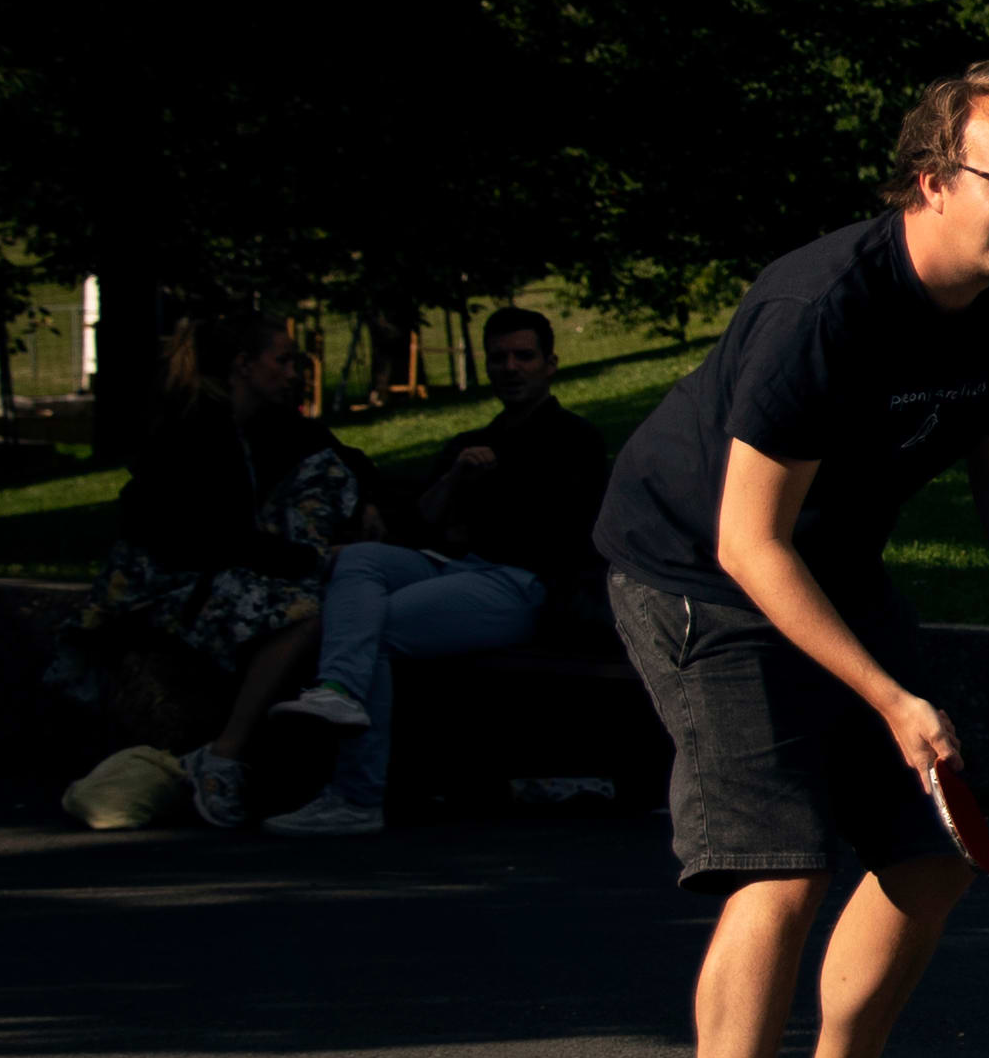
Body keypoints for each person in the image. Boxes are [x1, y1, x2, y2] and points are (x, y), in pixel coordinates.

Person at [594, 61, 989, 1058]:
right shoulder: (824, 304)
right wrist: (888, 694)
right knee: (781, 865)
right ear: (932, 179)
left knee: (932, 847)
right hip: (700, 573)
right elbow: (747, 541)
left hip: (829, 565)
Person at [258, 305, 609, 841]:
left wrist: (482, 515)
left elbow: (560, 536)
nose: (510, 367)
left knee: (372, 627)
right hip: (455, 567)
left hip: (520, 583)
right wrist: (456, 482)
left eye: (523, 356)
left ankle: (356, 796)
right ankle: (338, 689)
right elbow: (423, 526)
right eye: (499, 358)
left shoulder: (573, 440)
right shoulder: (470, 443)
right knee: (356, 560)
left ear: (550, 364)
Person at [91, 323, 372, 829]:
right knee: (305, 614)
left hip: (210, 571)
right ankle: (224, 755)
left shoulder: (264, 423)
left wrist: (368, 502)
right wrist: (311, 560)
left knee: (314, 593)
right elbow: (213, 538)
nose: (293, 373)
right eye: (282, 361)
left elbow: (338, 457)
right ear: (244, 365)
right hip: (163, 587)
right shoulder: (198, 431)